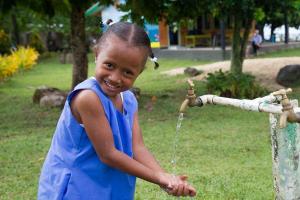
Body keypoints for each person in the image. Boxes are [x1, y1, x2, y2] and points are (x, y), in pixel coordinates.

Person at [38, 21, 196, 199]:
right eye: (110, 65)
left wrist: (166, 178)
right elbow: (108, 154)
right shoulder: (88, 98)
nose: (115, 78)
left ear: (139, 72)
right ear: (97, 54)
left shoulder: (128, 99)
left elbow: (137, 147)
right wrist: (159, 178)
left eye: (128, 72)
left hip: (107, 186)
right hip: (76, 188)